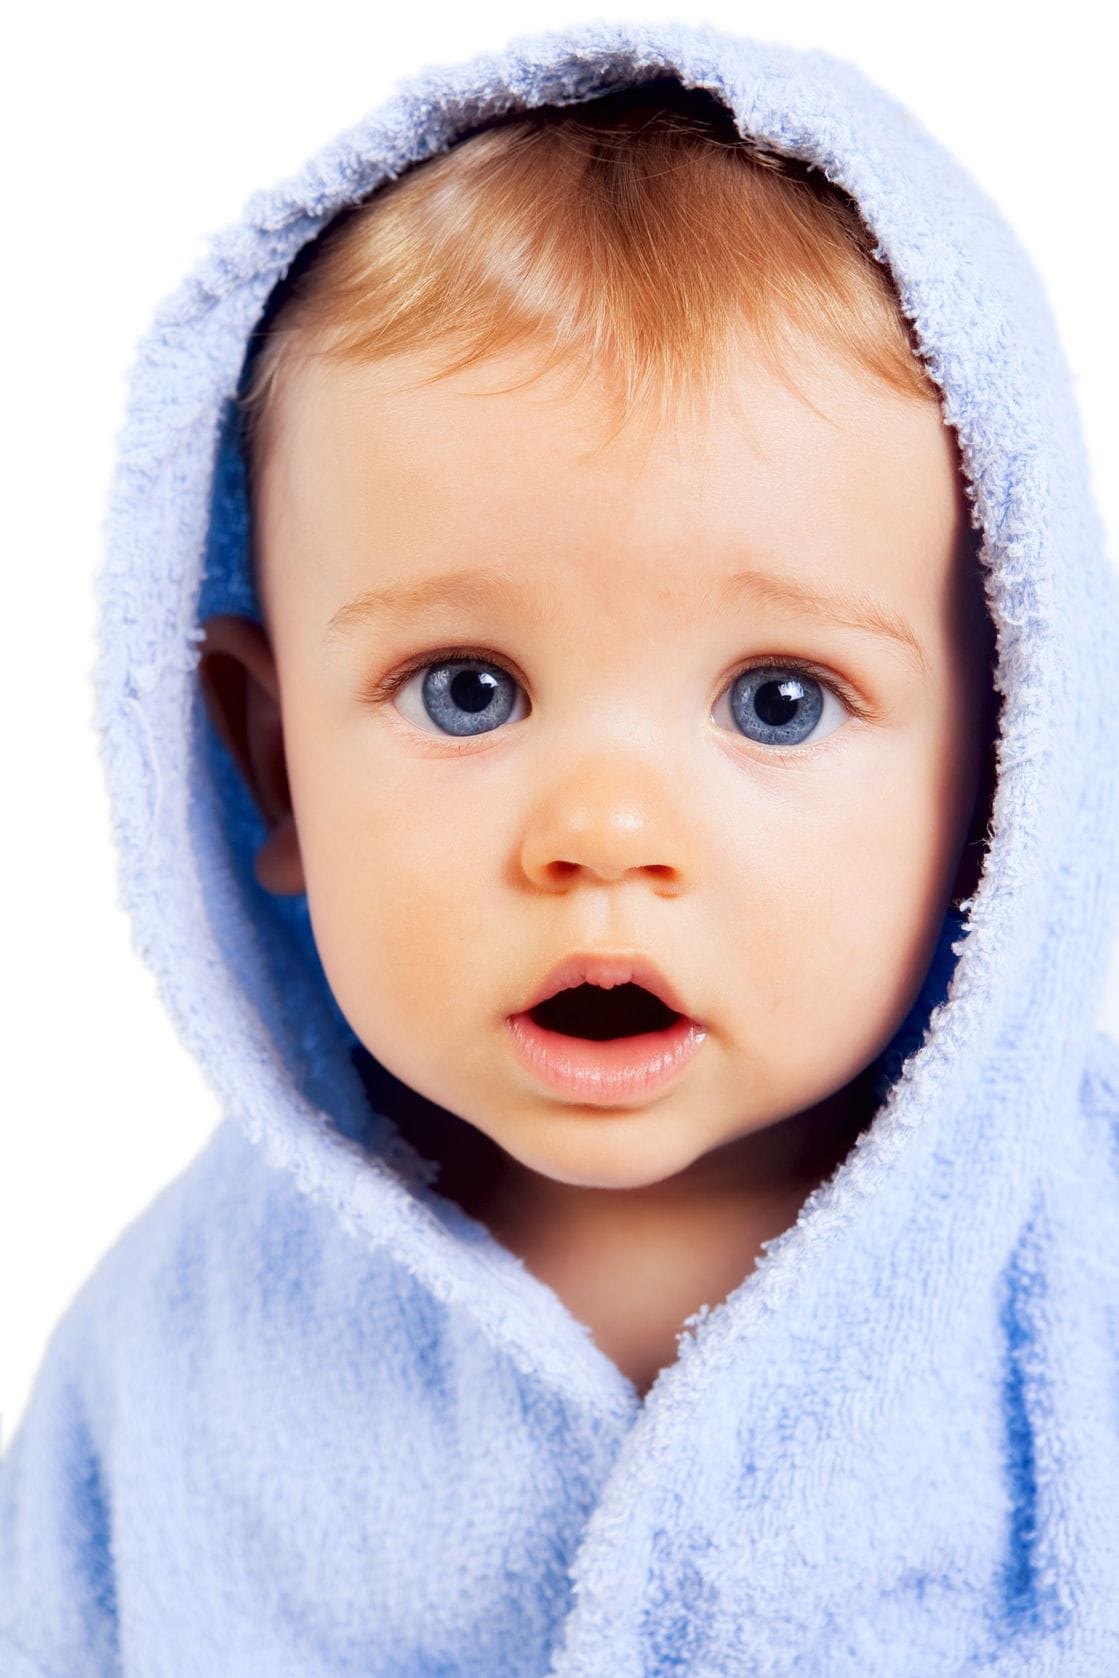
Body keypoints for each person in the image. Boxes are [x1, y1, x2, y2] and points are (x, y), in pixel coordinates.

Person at [2, 20, 1118, 1675]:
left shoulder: (1080, 1278)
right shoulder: (170, 1354)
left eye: (779, 700)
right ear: (273, 760)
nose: (602, 832)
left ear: (1007, 767)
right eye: (467, 691)